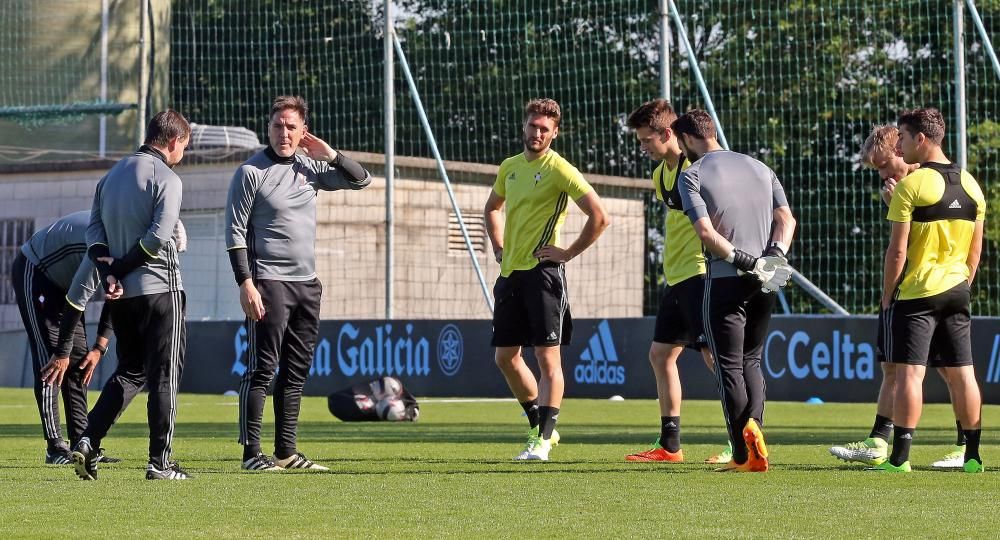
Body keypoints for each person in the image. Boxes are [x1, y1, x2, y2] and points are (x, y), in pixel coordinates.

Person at [226, 95, 372, 472]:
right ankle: (251, 454)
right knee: (262, 368)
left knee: (295, 371)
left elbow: (362, 180)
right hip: (268, 283)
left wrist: (332, 155)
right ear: (268, 128)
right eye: (278, 125)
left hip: (307, 286)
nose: (284, 133)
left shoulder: (311, 168)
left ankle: (286, 452)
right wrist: (246, 282)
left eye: (292, 126)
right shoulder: (250, 173)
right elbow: (235, 233)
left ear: (303, 131)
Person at [829, 124, 968, 469]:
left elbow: (909, 246)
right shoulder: (910, 185)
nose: (881, 173)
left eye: (883, 163)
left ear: (902, 149)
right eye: (876, 168)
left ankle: (959, 446)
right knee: (892, 364)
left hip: (920, 290)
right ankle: (878, 441)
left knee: (946, 371)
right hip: (927, 287)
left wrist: (887, 294)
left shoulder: (924, 183)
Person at [484, 98, 610, 461]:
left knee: (546, 357)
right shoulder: (509, 167)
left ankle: (544, 439)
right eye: (532, 126)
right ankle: (537, 426)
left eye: (545, 128)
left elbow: (599, 216)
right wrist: (498, 246)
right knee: (505, 358)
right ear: (524, 126)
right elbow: (492, 208)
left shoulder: (560, 169)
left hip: (544, 276)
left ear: (555, 133)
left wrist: (567, 252)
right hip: (510, 274)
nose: (537, 132)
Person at [71, 109, 191, 481]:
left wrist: (109, 273)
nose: (182, 154)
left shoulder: (110, 176)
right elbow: (158, 237)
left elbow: (93, 233)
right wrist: (120, 268)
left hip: (121, 297)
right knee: (164, 377)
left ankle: (88, 440)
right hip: (161, 292)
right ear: (173, 142)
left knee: (129, 372)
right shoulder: (167, 178)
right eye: (184, 147)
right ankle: (160, 462)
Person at [673, 109, 796, 473]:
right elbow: (786, 219)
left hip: (727, 277)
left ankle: (742, 455)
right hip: (768, 277)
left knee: (728, 365)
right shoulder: (760, 167)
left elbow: (707, 234)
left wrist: (746, 261)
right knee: (753, 360)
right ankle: (755, 431)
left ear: (688, 139)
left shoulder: (691, 175)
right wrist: (773, 257)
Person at [875, 107, 984, 473]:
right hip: (957, 289)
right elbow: (975, 252)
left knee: (910, 374)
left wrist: (888, 294)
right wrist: (962, 283)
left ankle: (900, 458)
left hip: (919, 292)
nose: (900, 146)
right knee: (963, 372)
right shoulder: (972, 185)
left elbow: (898, 251)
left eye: (903, 138)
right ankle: (972, 457)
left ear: (921, 139)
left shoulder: (911, 186)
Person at [623, 99, 730, 464]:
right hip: (677, 278)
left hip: (701, 275)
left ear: (668, 133)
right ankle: (670, 446)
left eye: (646, 139)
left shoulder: (697, 166)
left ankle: (742, 439)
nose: (643, 147)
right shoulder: (660, 176)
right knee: (661, 354)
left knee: (716, 356)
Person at [12, 211, 120, 465]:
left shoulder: (132, 250)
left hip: (65, 285)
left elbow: (117, 297)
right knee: (51, 360)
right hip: (36, 272)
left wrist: (98, 348)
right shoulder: (103, 247)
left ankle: (82, 444)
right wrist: (62, 352)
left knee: (80, 359)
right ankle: (55, 448)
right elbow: (77, 301)